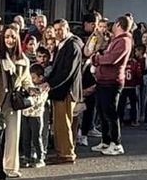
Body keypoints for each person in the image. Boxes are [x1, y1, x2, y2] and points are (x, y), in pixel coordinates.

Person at [0, 25, 33, 175]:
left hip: (14, 101)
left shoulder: (23, 59)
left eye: (12, 36)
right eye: (6, 37)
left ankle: (11, 167)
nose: (10, 40)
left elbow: (26, 80)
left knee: (13, 134)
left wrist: (32, 89)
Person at [90, 13, 133, 155]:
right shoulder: (116, 40)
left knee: (110, 112)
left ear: (119, 25)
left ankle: (116, 143)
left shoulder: (124, 40)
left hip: (112, 81)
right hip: (103, 80)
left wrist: (97, 58)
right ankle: (106, 140)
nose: (112, 27)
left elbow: (112, 59)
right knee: (102, 111)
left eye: (114, 24)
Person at [44, 17, 83, 164]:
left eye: (60, 29)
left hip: (66, 91)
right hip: (60, 90)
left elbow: (67, 72)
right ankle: (61, 151)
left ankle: (67, 153)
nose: (58, 32)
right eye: (56, 30)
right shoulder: (63, 44)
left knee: (64, 123)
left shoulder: (72, 45)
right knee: (59, 124)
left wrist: (50, 84)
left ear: (67, 29)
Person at [22, 63, 49, 168]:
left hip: (36, 115)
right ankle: (27, 156)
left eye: (33, 77)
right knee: (26, 137)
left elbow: (39, 100)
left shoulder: (44, 87)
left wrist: (32, 94)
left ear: (40, 77)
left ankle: (40, 157)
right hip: (25, 114)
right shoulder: (28, 86)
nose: (31, 80)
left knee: (36, 137)